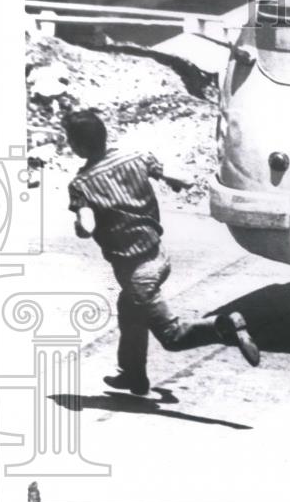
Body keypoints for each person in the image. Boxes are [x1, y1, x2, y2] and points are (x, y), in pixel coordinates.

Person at [62, 110, 260, 397]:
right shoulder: (136, 157)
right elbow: (180, 178)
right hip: (158, 256)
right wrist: (176, 182)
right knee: (128, 311)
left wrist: (82, 224)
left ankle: (225, 325)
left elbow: (87, 226)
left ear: (77, 146)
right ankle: (133, 375)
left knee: (172, 336)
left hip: (136, 272)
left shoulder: (82, 184)